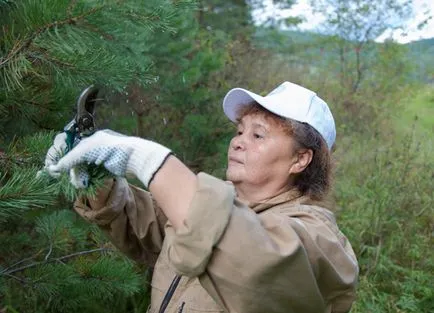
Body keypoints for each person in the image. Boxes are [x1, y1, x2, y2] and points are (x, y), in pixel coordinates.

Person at [45, 81, 359, 313]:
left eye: (258, 135)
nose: (237, 143)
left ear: (300, 159)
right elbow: (149, 225)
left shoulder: (320, 240)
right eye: (239, 131)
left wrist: (146, 159)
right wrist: (98, 178)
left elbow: (253, 260)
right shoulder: (218, 209)